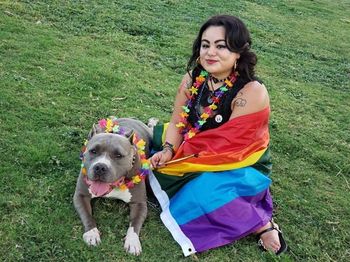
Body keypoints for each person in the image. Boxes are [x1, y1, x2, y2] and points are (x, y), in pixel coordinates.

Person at [149, 15, 287, 256]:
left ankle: (261, 223)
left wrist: (181, 160)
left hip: (236, 162)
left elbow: (228, 149)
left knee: (206, 191)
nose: (210, 53)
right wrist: (169, 150)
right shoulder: (193, 78)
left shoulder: (251, 92)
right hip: (191, 150)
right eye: (205, 45)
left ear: (238, 52)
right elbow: (177, 123)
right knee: (153, 153)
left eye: (221, 46)